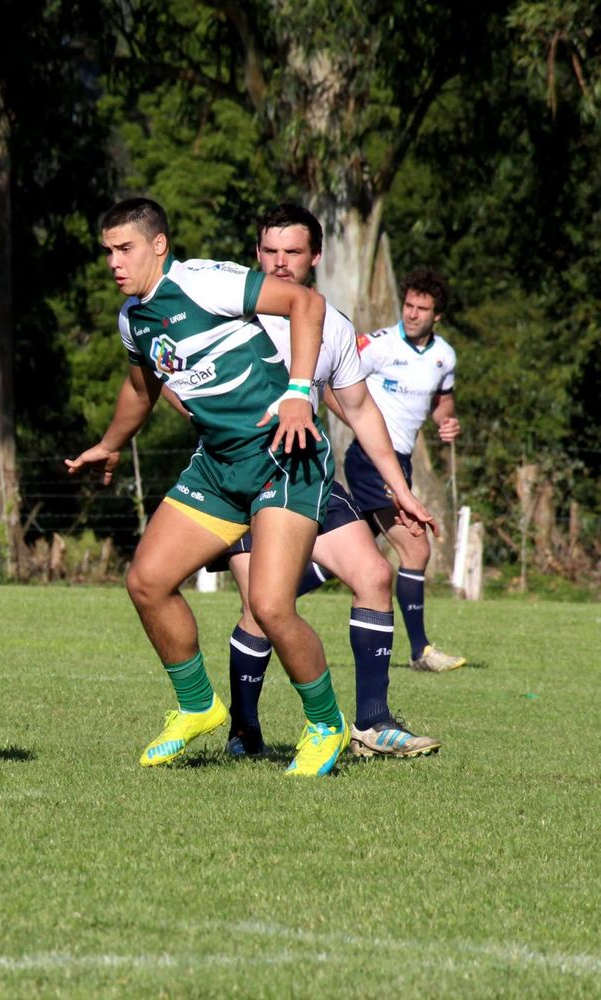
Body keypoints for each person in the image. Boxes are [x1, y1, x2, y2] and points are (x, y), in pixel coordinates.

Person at [66, 197, 348, 777]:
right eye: (109, 252)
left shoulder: (202, 282)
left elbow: (306, 301)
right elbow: (141, 388)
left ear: (159, 245)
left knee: (269, 606)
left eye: (127, 249)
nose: (116, 262)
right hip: (218, 467)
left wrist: (299, 391)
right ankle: (197, 706)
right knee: (147, 582)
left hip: (282, 455)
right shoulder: (132, 318)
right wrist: (112, 442)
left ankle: (326, 724)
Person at [209, 204, 441, 759]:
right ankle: (244, 732)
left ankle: (373, 724)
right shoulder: (229, 314)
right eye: (270, 251)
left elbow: (360, 410)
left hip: (307, 471)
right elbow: (174, 379)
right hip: (242, 477)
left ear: (315, 258)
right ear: (256, 254)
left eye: (293, 252)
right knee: (263, 608)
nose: (280, 262)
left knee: (374, 574)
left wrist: (401, 492)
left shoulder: (331, 325)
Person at [333, 267, 466, 672]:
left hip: (400, 462)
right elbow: (328, 381)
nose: (411, 314)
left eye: (421, 309)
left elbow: (443, 401)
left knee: (338, 553)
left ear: (436, 315)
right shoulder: (378, 345)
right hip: (373, 460)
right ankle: (421, 650)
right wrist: (355, 422)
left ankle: (268, 606)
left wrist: (448, 420)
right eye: (408, 305)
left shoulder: (445, 356)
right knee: (416, 545)